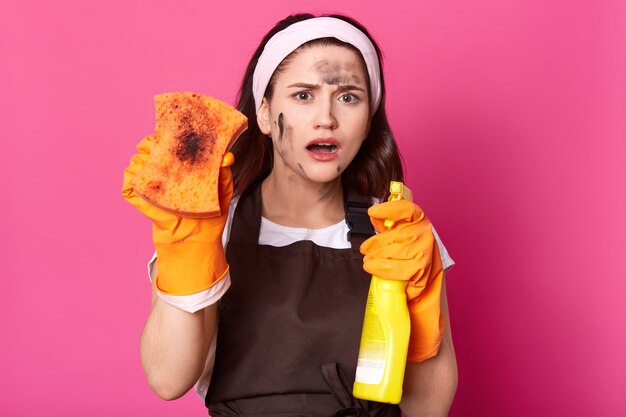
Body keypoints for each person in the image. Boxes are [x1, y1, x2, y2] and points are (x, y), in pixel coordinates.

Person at [123, 13, 458, 417]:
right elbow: (167, 378)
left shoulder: (398, 233)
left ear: (369, 120)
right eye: (303, 95)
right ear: (264, 113)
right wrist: (187, 249)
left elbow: (427, 408)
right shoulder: (210, 227)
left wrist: (422, 298)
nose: (326, 118)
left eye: (348, 96)